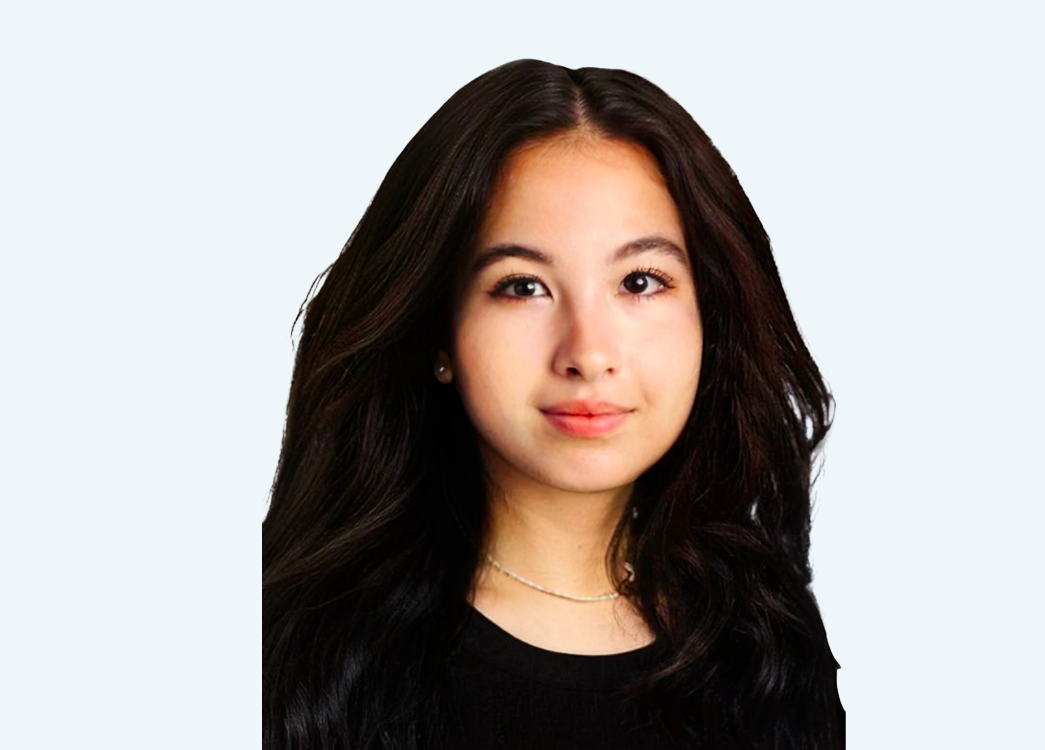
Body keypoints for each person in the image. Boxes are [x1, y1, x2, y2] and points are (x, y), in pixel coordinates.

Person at [263, 59, 844, 749]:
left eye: (639, 281)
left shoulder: (767, 646)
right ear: (438, 329)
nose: (588, 353)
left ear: (711, 316)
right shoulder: (294, 652)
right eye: (522, 286)